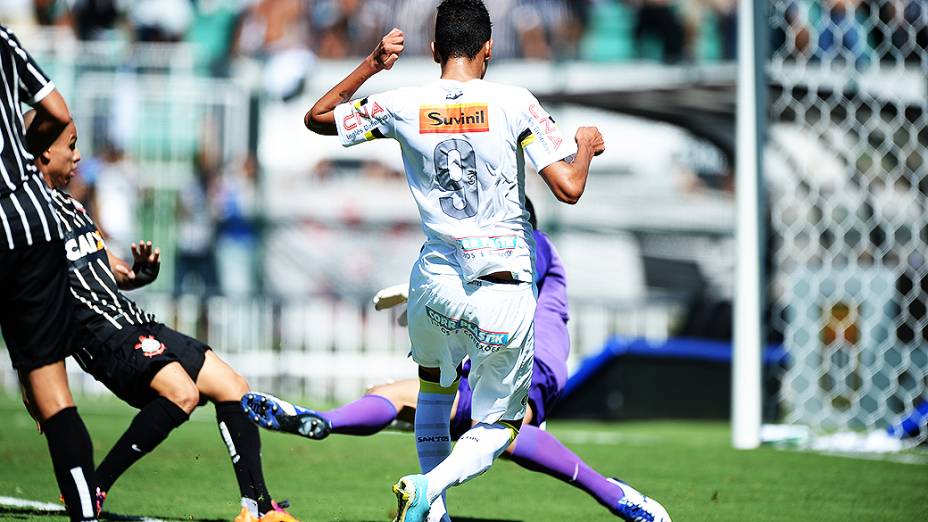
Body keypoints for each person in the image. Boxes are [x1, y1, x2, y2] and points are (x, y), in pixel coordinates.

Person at [302, 2, 668, 520]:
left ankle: (435, 515)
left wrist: (372, 64)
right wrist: (584, 146)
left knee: (433, 395)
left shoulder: (405, 102)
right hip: (500, 287)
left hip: (433, 283)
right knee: (501, 426)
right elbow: (568, 188)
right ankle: (429, 490)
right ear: (489, 49)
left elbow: (316, 118)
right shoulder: (513, 103)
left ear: (433, 51)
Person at [244, 198, 670, 521]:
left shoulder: (531, 243)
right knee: (396, 395)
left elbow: (501, 275)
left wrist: (420, 294)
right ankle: (322, 421)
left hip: (530, 358)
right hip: (489, 357)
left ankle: (615, 495)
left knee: (507, 431)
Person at [25, 110, 297, 522]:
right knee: (182, 394)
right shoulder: (28, 222)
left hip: (134, 321)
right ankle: (96, 487)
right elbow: (26, 307)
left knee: (233, 386)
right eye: (71, 145)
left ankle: (256, 507)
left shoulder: (74, 208)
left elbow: (111, 269)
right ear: (43, 153)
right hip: (102, 339)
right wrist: (36, 385)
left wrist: (139, 274)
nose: (78, 157)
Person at [0, 24, 100, 522]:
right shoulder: (3, 41)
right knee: (53, 393)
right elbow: (57, 112)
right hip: (30, 219)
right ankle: (85, 513)